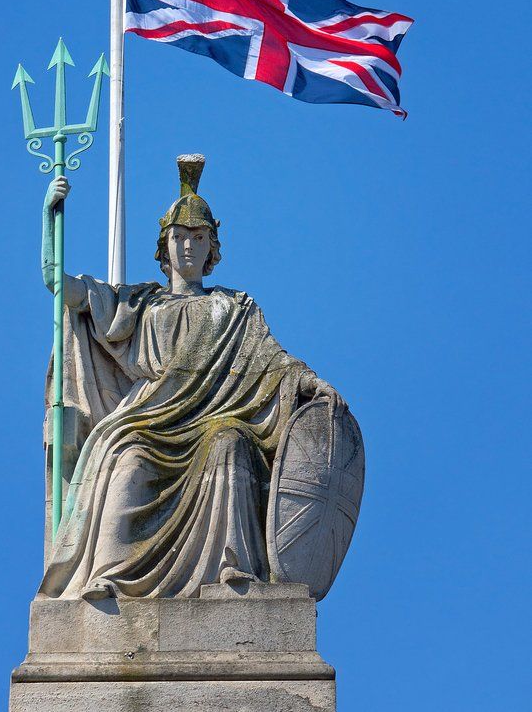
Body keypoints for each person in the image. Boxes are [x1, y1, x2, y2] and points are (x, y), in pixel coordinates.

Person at [37, 155, 346, 600]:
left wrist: (312, 384)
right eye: (178, 237)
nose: (187, 246)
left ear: (211, 248)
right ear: (164, 248)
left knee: (230, 443)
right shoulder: (140, 305)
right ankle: (107, 573)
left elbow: (275, 364)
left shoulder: (236, 309)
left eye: (197, 238)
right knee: (127, 460)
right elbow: (57, 284)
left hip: (214, 422)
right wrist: (51, 218)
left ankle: (231, 568)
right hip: (146, 423)